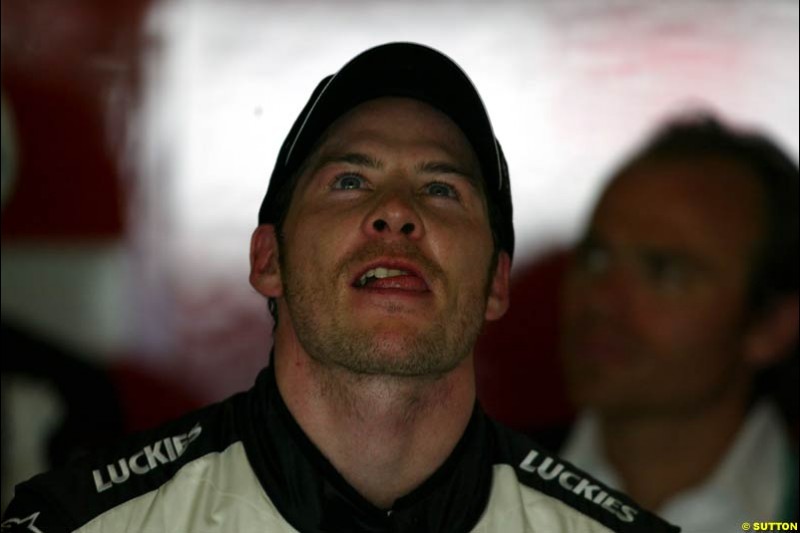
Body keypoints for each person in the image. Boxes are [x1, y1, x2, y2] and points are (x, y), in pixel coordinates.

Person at [1, 42, 678, 533]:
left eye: (441, 188)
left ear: (497, 283)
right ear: (269, 258)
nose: (396, 211)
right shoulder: (79, 523)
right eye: (350, 180)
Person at [559, 113, 799, 532]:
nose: (599, 299)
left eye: (664, 272)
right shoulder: (458, 496)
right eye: (595, 258)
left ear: (771, 327)